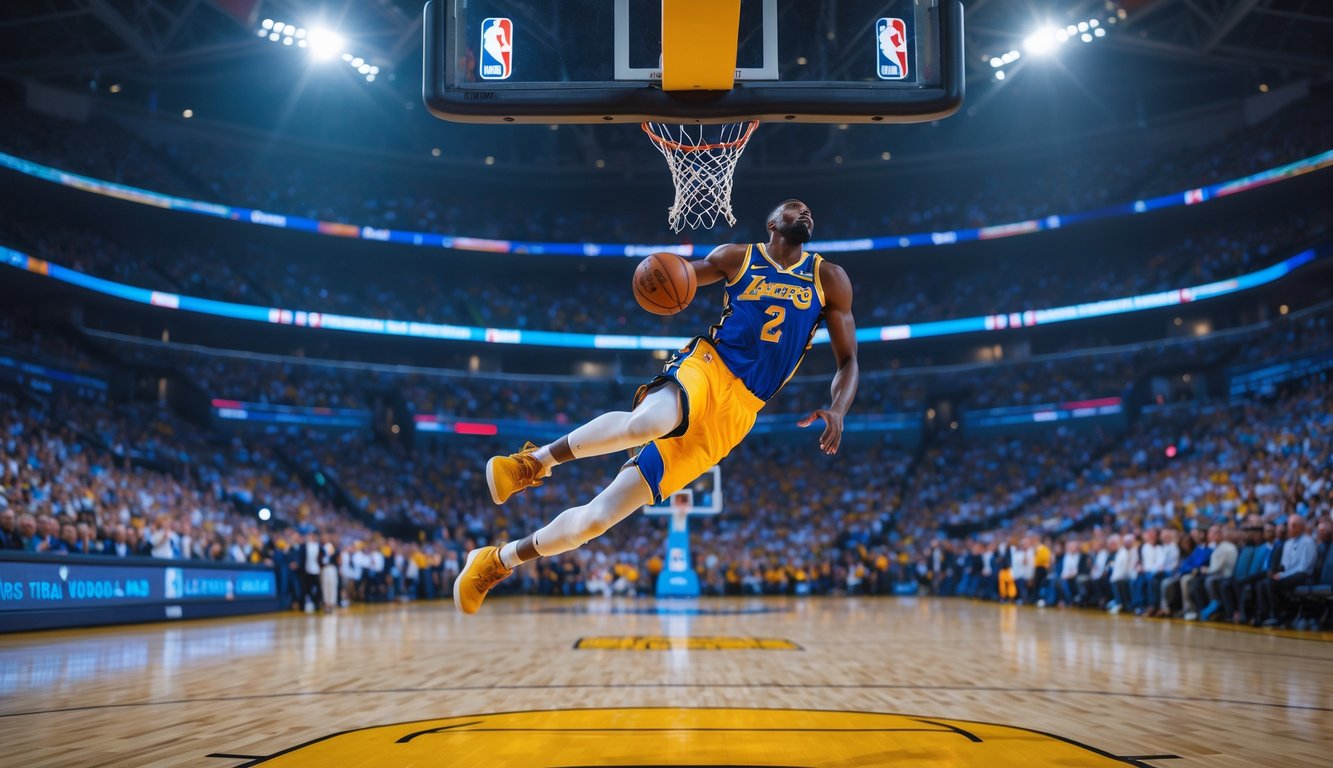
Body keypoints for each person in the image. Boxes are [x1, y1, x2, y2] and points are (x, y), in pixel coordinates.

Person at [453, 200, 859, 613]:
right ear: (772, 222)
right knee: (649, 421)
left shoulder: (829, 278)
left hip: (740, 412)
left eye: (809, 210)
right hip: (710, 366)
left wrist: (838, 409)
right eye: (794, 208)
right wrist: (657, 274)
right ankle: (531, 463)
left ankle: (495, 561)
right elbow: (677, 278)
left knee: (597, 520)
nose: (805, 212)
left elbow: (849, 361)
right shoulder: (738, 257)